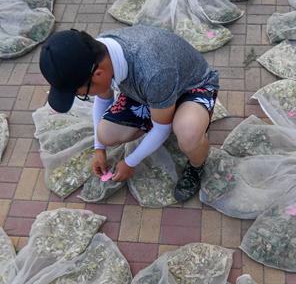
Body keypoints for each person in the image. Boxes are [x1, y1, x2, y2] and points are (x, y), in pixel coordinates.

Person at [38, 25, 219, 202]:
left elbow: (162, 129)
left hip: (191, 87)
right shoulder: (96, 54)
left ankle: (196, 166)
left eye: (81, 94)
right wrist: (99, 148)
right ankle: (164, 112)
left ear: (98, 74)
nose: (83, 97)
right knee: (105, 134)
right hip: (147, 93)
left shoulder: (153, 71)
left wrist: (130, 162)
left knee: (188, 134)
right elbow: (103, 98)